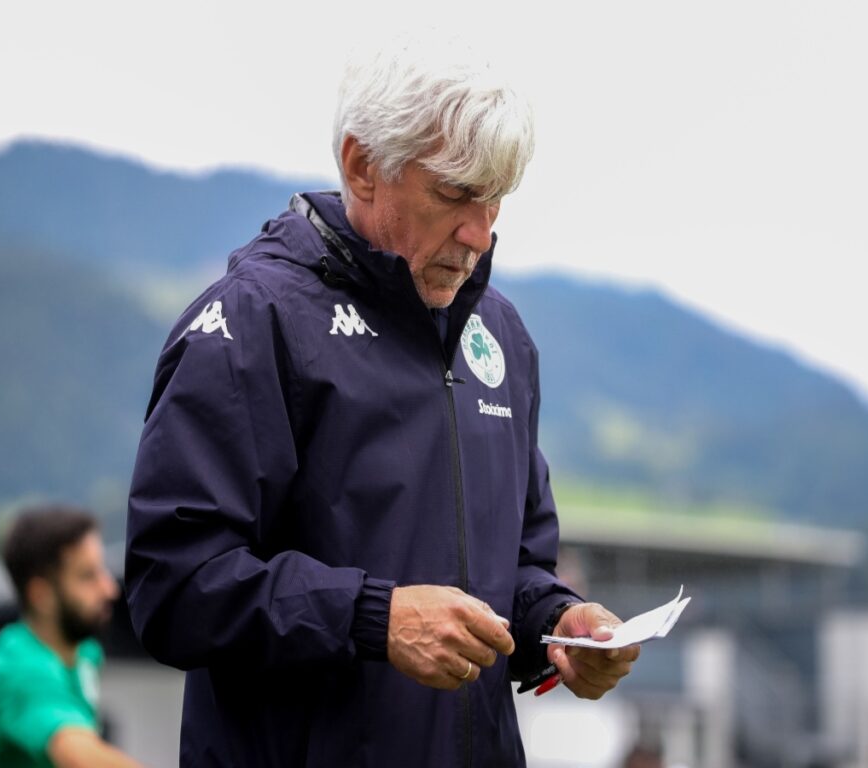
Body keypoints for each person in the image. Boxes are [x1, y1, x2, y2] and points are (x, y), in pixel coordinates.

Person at [125, 32, 639, 767]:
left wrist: (560, 624)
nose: (479, 233)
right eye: (454, 193)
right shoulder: (253, 321)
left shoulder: (500, 336)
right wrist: (376, 618)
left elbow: (518, 571)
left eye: (495, 198)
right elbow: (174, 585)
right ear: (363, 167)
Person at [0, 506, 144, 768]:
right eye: (87, 576)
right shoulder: (25, 671)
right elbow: (79, 756)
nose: (110, 589)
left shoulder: (81, 650)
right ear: (40, 595)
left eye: (102, 570)